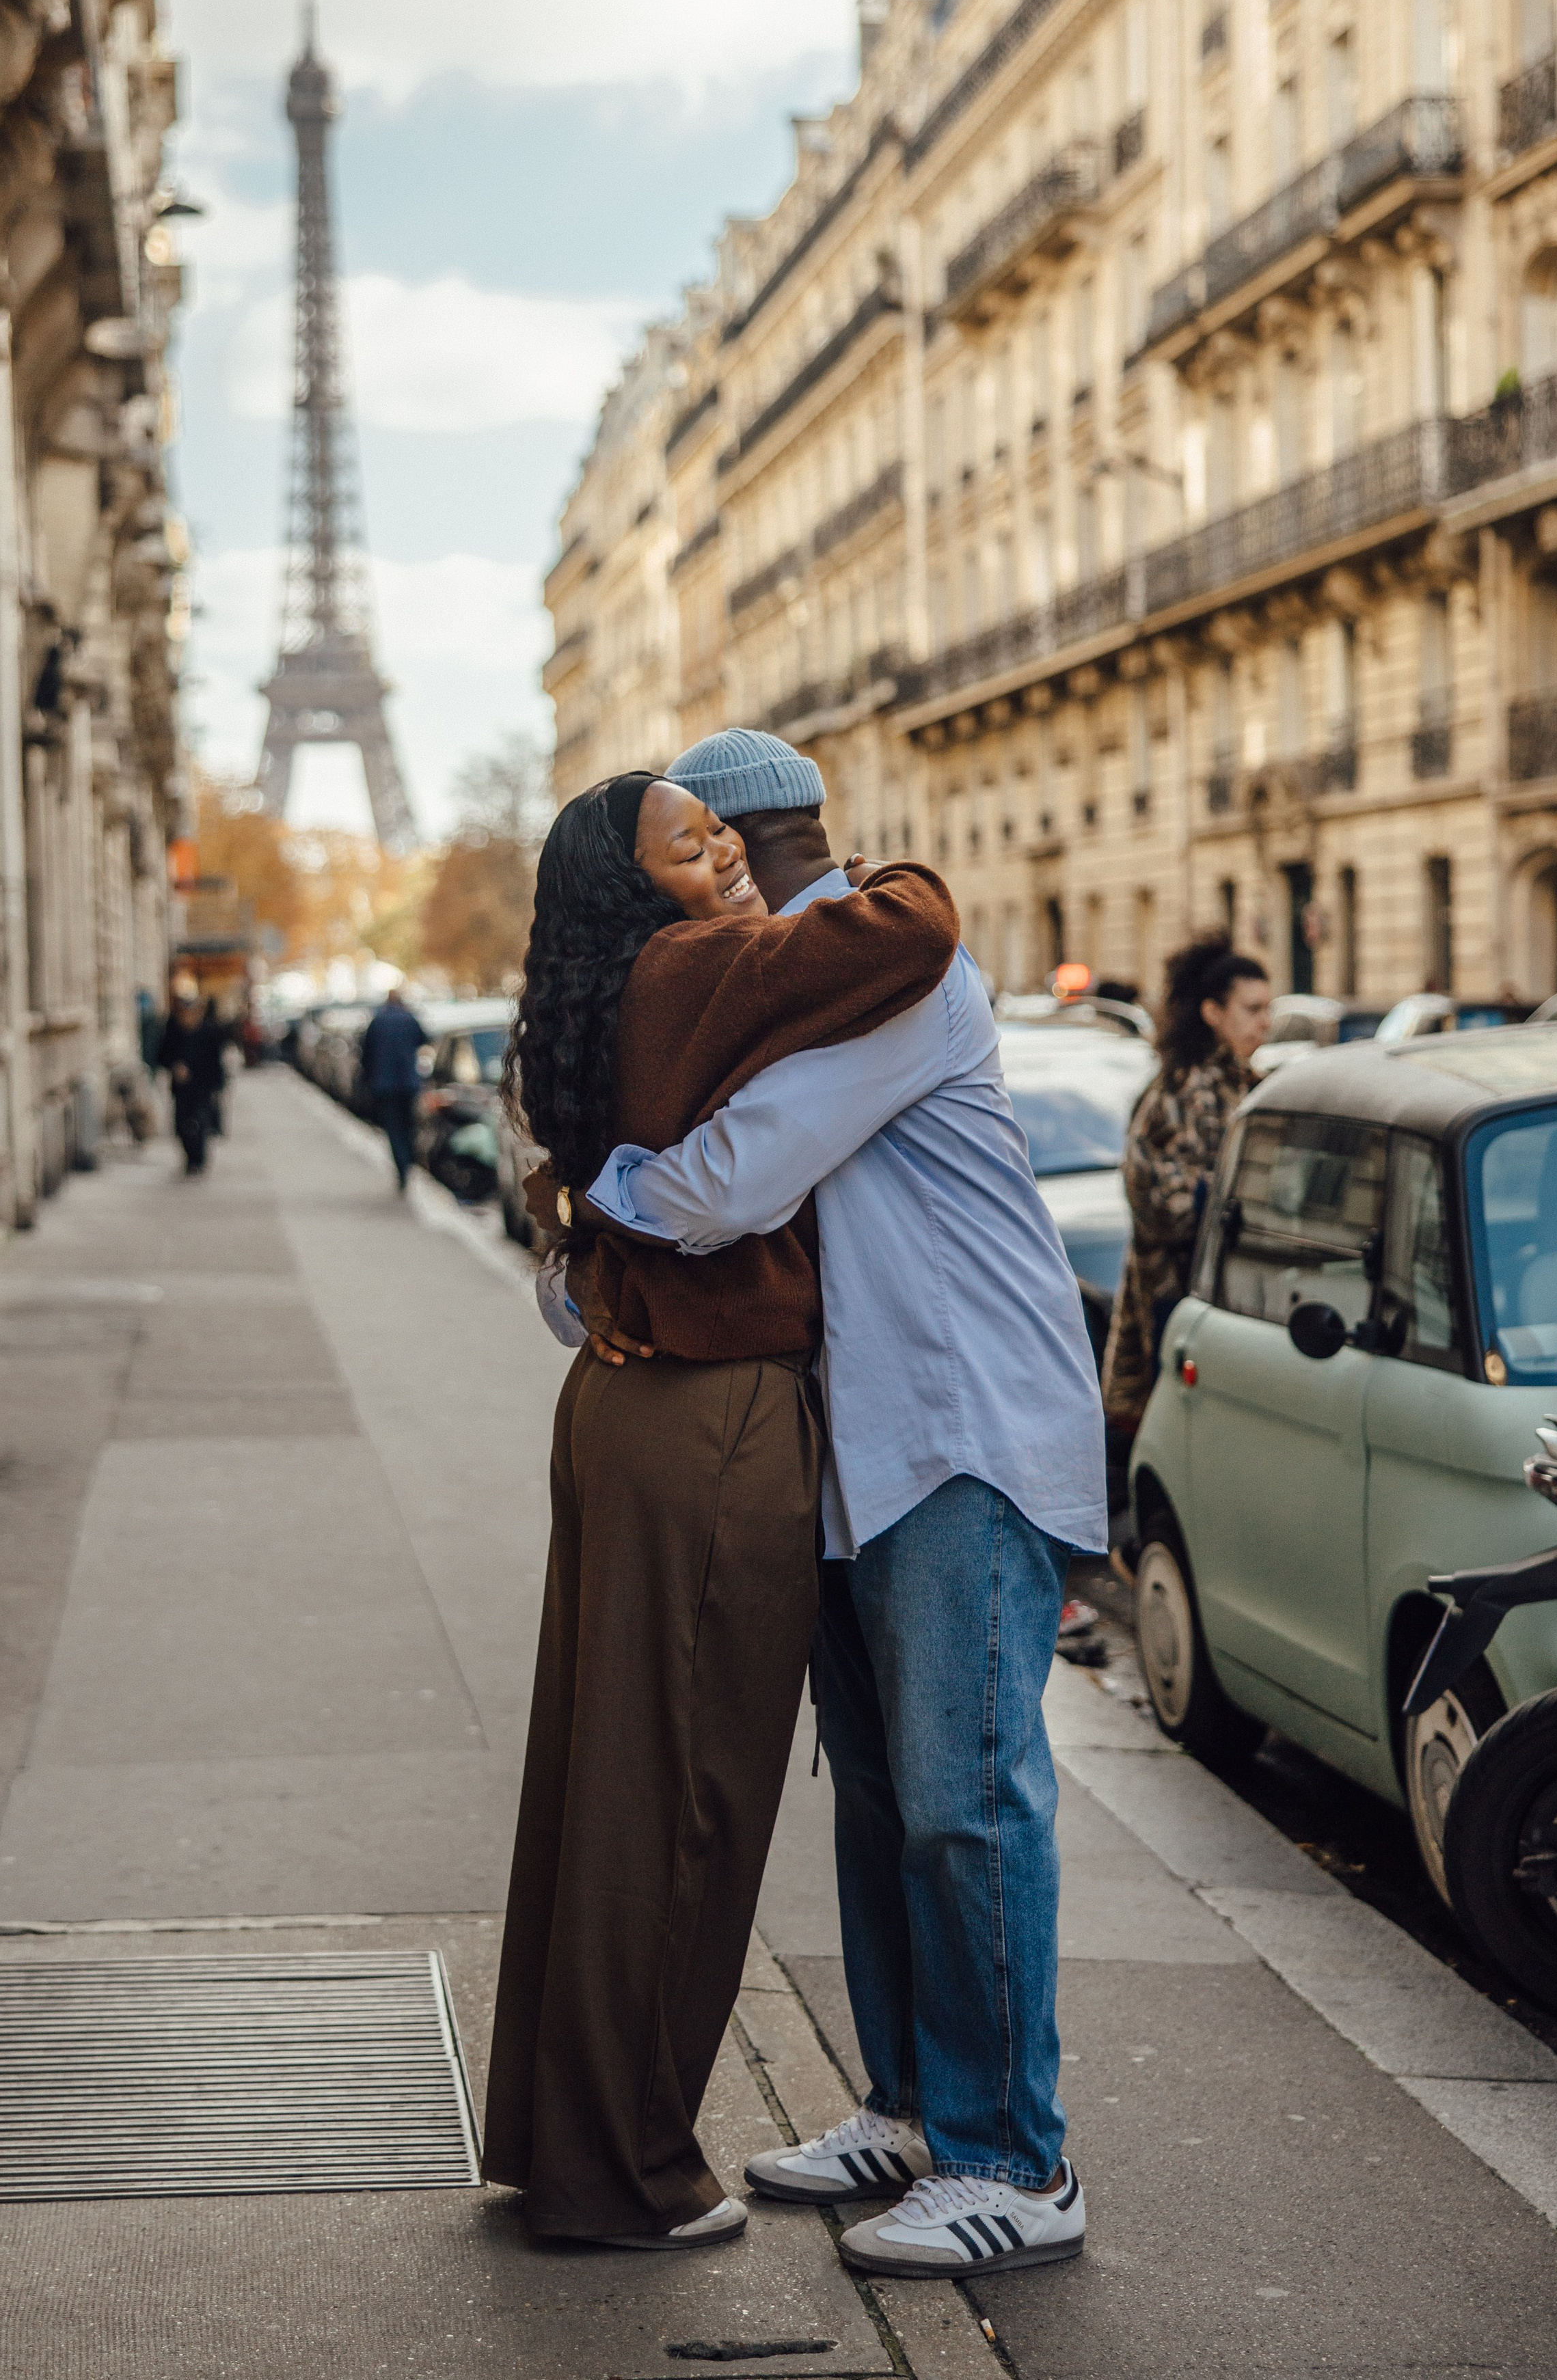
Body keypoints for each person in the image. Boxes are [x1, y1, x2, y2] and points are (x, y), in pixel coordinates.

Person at [579, 728, 1105, 2286]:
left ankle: (1017, 2161)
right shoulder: (786, 979)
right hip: (852, 1448)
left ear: (738, 850)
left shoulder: (882, 973)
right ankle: (907, 2107)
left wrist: (580, 1195)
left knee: (963, 1798)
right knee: (881, 1799)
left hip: (956, 1435)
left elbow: (729, 1179)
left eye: (689, 856)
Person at [483, 770, 958, 2256]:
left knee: (596, 1788)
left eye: (729, 833)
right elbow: (914, 927)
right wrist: (848, 854)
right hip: (714, 1415)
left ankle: (555, 2139)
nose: (731, 859)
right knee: (686, 1805)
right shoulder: (694, 968)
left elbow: (563, 1194)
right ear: (643, 891)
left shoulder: (591, 991)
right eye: (694, 846)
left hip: (625, 1415)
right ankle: (626, 2172)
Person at [1099, 931, 1271, 1437]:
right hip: (1177, 1308)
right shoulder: (1182, 1091)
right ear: (1213, 1013)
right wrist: (1228, 1204)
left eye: (1268, 1009)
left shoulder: (1248, 1085)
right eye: (1252, 1009)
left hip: (1227, 1307)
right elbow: (1158, 1200)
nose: (1265, 1022)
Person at [360, 986, 430, 1191]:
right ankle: (408, 1162)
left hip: (384, 1085)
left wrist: (367, 1080)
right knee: (409, 1126)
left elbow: (366, 1054)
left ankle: (402, 1166)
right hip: (408, 1082)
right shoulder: (409, 1018)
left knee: (394, 1129)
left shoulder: (377, 1021)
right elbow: (425, 1040)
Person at [154, 983, 226, 1176]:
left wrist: (218, 1086)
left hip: (202, 1086)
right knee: (182, 1125)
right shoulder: (173, 1031)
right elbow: (161, 1056)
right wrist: (175, 1067)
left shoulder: (209, 1031)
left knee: (201, 1123)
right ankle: (189, 1159)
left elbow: (216, 1061)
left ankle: (199, 1159)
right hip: (182, 1088)